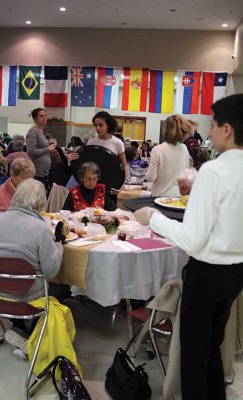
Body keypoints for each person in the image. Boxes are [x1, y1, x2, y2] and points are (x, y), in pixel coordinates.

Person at [134, 94, 243, 400]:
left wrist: (153, 218)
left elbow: (192, 239)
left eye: (214, 125)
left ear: (227, 129)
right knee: (211, 344)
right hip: (236, 271)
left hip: (208, 272)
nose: (208, 133)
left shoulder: (214, 170)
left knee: (194, 354)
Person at [0, 178, 65, 352]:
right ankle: (34, 335)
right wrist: (58, 242)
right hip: (26, 298)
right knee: (63, 287)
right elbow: (52, 271)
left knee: (16, 279)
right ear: (41, 203)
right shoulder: (40, 228)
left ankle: (19, 329)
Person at [146, 115, 190, 197]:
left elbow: (151, 177)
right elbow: (186, 172)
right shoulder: (184, 148)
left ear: (164, 130)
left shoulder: (157, 150)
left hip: (159, 196)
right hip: (178, 196)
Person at [26, 108, 55, 193]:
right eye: (41, 116)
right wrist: (47, 149)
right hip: (37, 170)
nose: (44, 118)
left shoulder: (40, 130)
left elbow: (40, 146)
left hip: (44, 170)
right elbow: (30, 151)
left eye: (45, 115)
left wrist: (49, 143)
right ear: (35, 119)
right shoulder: (33, 132)